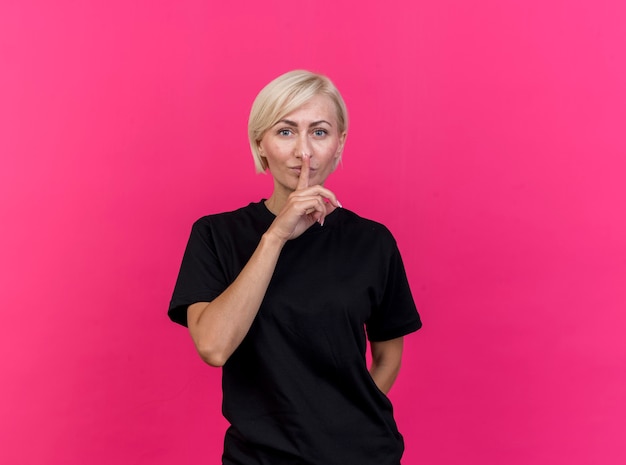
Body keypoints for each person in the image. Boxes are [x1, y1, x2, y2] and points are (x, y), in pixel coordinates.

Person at [168, 70, 422, 465]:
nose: (304, 151)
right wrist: (275, 236)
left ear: (339, 145)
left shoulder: (373, 243)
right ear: (261, 143)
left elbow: (389, 356)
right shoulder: (216, 235)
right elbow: (214, 347)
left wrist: (344, 422)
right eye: (286, 131)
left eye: (319, 132)